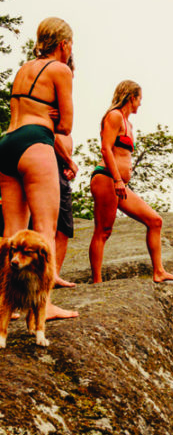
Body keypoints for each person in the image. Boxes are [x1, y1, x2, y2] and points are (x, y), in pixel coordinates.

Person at [0, 16, 78, 322]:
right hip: (36, 143)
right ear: (64, 44)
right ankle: (43, 308)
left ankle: (6, 304)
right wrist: (56, 115)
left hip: (7, 143)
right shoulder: (60, 69)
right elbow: (66, 126)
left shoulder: (24, 69)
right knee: (45, 230)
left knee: (11, 235)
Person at [88, 80, 173, 285]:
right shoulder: (114, 116)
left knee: (155, 221)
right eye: (140, 99)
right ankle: (96, 281)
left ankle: (159, 271)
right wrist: (118, 179)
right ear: (132, 97)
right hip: (107, 178)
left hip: (119, 184)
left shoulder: (128, 123)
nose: (140, 104)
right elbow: (106, 149)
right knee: (103, 231)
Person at [53, 54, 76, 288]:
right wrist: (69, 161)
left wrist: (67, 164)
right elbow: (50, 131)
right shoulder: (51, 93)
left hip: (60, 165)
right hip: (48, 162)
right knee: (49, 223)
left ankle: (54, 274)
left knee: (64, 225)